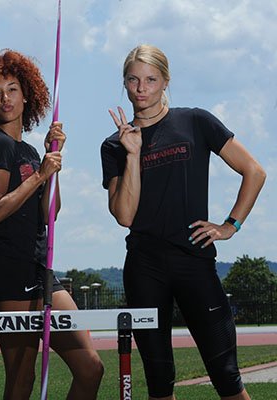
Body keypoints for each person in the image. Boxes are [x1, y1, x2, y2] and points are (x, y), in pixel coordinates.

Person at [101, 44, 266, 400]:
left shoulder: (195, 121)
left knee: (226, 377)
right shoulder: (114, 145)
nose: (141, 88)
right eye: (133, 80)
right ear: (125, 84)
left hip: (194, 262)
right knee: (160, 384)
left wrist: (230, 225)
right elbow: (125, 215)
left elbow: (254, 171)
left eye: (151, 79)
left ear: (165, 82)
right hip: (144, 267)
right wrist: (132, 154)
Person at [0, 49, 104, 399]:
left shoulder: (26, 149)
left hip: (41, 268)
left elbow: (49, 213)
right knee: (21, 380)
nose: (5, 98)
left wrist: (50, 164)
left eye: (12, 89)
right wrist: (40, 175)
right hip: (12, 271)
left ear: (27, 95)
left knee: (91, 368)